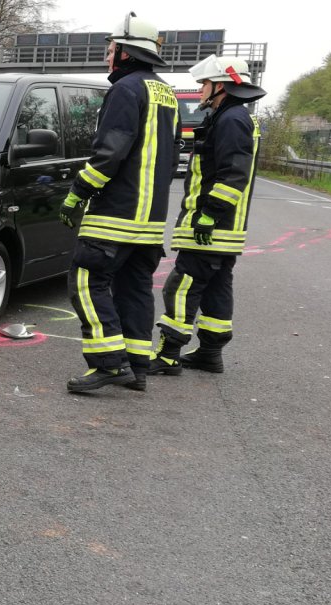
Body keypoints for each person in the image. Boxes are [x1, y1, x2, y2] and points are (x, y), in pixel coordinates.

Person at [58, 12, 178, 393]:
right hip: (150, 220)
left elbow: (110, 152)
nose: (107, 56)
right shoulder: (166, 93)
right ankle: (137, 368)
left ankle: (109, 364)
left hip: (116, 214)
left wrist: (78, 193)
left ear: (127, 52)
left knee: (85, 279)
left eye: (111, 49)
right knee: (134, 289)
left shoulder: (126, 90)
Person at [149, 55, 265, 376]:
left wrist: (209, 215)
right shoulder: (232, 117)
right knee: (216, 288)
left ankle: (169, 354)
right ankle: (210, 354)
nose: (200, 90)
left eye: (204, 84)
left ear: (221, 85)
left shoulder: (232, 120)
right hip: (224, 231)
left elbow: (233, 173)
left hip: (211, 228)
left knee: (182, 285)